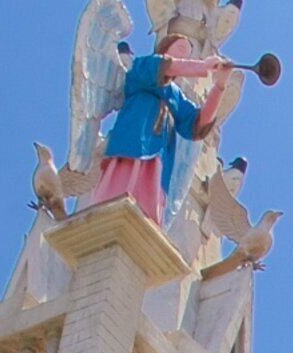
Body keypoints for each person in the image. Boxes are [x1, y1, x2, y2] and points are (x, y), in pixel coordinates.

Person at [87, 34, 227, 223]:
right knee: (121, 187)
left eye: (187, 55)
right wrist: (203, 67)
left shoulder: (176, 96)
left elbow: (199, 123)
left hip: (159, 156)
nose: (184, 58)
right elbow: (167, 65)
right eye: (180, 51)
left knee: (149, 198)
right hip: (132, 143)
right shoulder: (144, 65)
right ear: (164, 49)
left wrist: (219, 86)